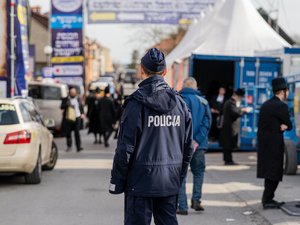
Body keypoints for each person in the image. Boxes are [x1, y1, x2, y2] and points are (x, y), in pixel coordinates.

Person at [109, 48, 193, 225]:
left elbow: (125, 148)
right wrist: (179, 175)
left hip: (139, 182)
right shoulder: (180, 104)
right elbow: (187, 147)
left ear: (141, 70)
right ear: (165, 71)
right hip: (169, 180)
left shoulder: (135, 104)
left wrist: (117, 182)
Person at [177, 77, 212, 215]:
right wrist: (197, 140)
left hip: (181, 145)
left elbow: (177, 123)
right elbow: (206, 123)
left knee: (181, 175)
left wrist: (186, 140)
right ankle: (196, 200)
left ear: (184, 86)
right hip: (199, 145)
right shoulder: (203, 102)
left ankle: (182, 206)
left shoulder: (177, 101)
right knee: (198, 172)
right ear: (195, 87)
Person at [257, 77, 292, 209]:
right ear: (283, 91)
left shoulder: (265, 105)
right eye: (287, 90)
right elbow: (289, 124)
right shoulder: (281, 106)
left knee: (269, 172)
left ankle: (267, 198)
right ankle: (268, 199)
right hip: (275, 144)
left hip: (264, 144)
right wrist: (284, 126)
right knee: (275, 172)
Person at [219, 88, 251, 165]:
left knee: (229, 144)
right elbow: (235, 113)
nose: (240, 99)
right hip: (229, 128)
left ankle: (229, 160)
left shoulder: (230, 102)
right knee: (228, 145)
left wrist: (241, 109)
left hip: (230, 128)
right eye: (240, 98)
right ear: (236, 96)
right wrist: (244, 111)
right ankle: (228, 160)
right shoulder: (230, 103)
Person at [61, 87, 84, 152]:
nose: (73, 94)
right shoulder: (66, 99)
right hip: (69, 118)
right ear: (70, 93)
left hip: (77, 117)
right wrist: (67, 105)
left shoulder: (78, 99)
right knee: (68, 133)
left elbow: (81, 106)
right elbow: (62, 106)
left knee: (77, 132)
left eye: (74, 92)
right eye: (71, 93)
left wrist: (82, 113)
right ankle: (69, 146)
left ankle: (78, 147)